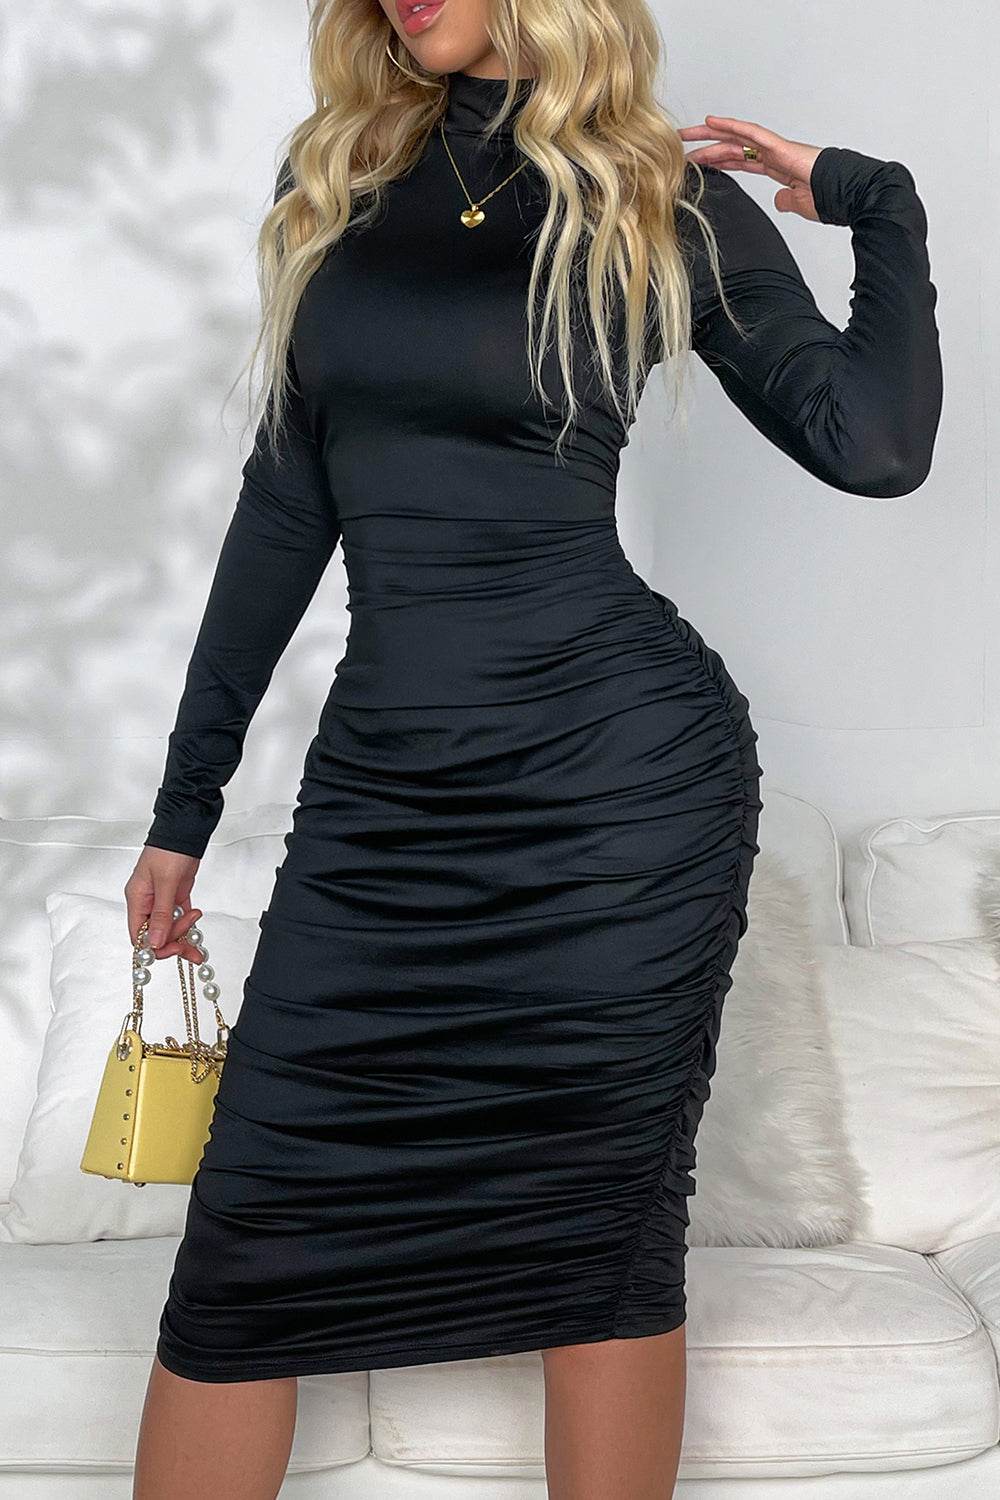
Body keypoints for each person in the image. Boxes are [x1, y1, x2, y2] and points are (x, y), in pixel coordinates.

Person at [126, 1, 943, 1496]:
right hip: (383, 802)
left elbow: (874, 446)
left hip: (615, 799)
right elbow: (285, 507)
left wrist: (877, 204)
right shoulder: (340, 181)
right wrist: (185, 807)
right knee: (247, 1250)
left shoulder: (656, 199)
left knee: (600, 1242)